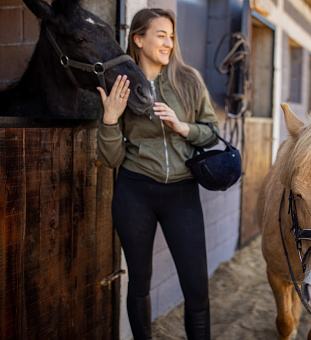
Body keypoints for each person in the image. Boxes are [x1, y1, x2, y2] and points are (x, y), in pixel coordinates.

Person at [96, 8, 219, 340]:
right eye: (160, 35)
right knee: (138, 283)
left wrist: (182, 127)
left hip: (182, 192)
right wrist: (109, 121)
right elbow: (111, 159)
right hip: (135, 191)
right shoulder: (120, 84)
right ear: (138, 38)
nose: (169, 43)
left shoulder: (188, 80)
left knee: (196, 288)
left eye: (171, 36)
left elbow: (212, 132)